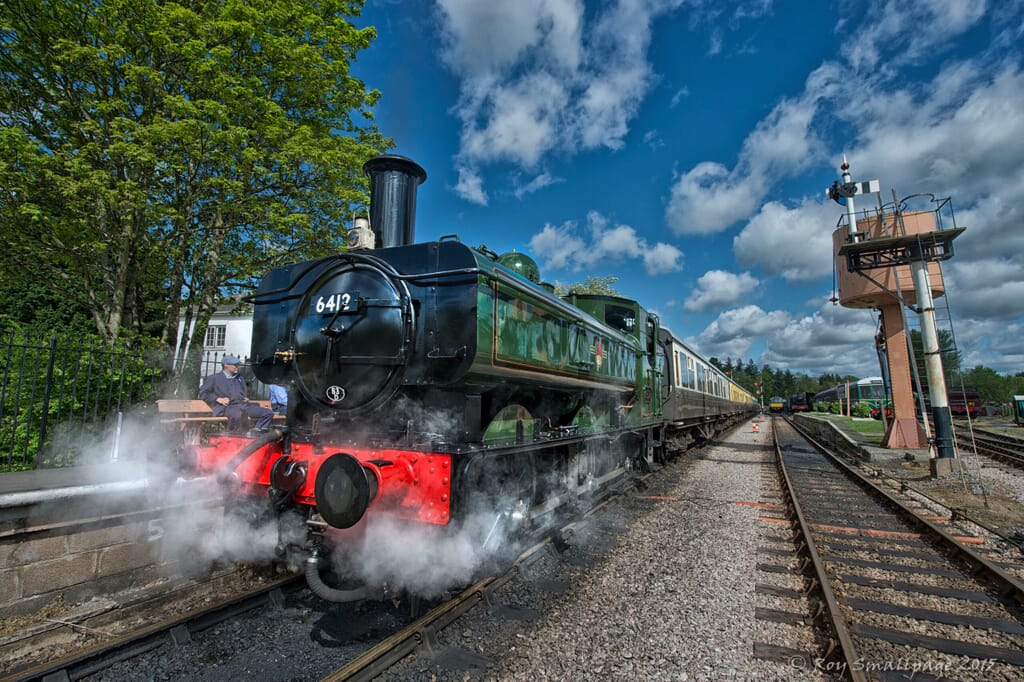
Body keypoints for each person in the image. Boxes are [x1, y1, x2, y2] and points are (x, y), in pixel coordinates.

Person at [198, 355, 274, 433]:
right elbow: (203, 393)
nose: (237, 367)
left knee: (267, 412)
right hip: (228, 407)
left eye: (238, 365)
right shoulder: (214, 378)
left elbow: (242, 392)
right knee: (239, 414)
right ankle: (235, 435)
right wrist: (217, 399)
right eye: (235, 365)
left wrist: (245, 397)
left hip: (243, 406)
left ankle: (256, 433)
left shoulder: (239, 378)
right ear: (226, 365)